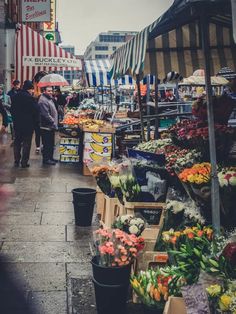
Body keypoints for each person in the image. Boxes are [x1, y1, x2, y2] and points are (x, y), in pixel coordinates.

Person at [11, 80, 39, 168]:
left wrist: (15, 119)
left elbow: (12, 110)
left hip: (17, 124)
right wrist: (36, 123)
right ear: (29, 89)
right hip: (28, 125)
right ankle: (24, 162)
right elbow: (36, 111)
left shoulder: (15, 96)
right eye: (32, 90)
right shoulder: (30, 98)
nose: (32, 91)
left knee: (17, 142)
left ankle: (16, 160)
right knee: (27, 143)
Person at [38, 86, 58, 165]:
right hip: (46, 126)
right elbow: (45, 114)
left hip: (51, 126)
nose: (50, 92)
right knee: (47, 144)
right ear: (44, 91)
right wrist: (53, 122)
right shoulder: (43, 100)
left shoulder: (49, 98)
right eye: (48, 91)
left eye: (51, 91)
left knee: (51, 143)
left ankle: (50, 157)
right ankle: (46, 159)